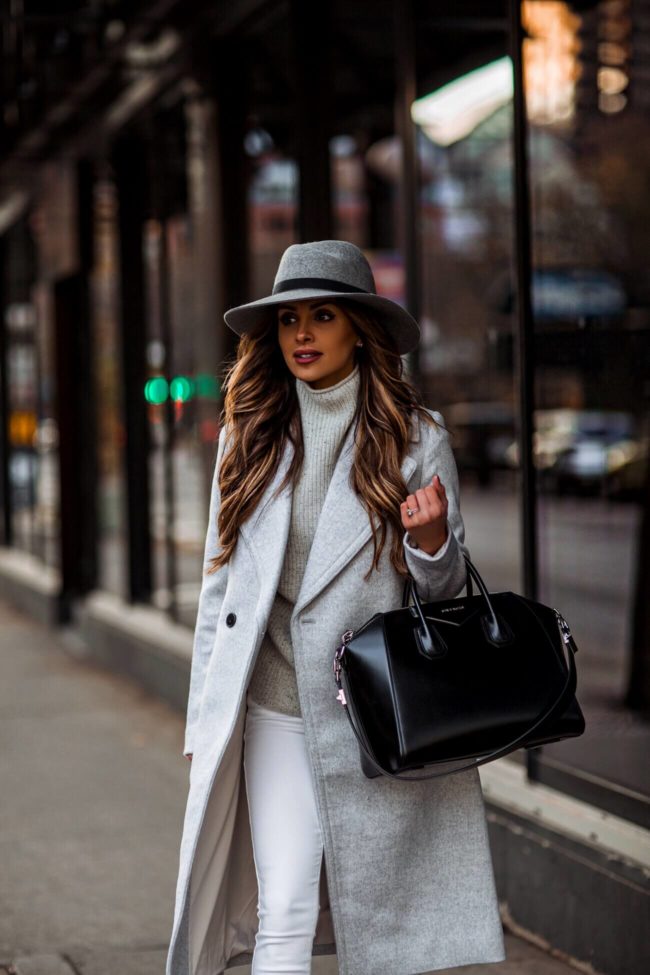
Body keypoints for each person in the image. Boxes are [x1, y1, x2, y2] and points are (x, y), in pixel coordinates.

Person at [167, 240, 506, 975]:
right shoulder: (245, 438)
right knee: (283, 908)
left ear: (359, 327)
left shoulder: (417, 439)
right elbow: (218, 591)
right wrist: (206, 715)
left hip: (377, 715)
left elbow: (446, 600)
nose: (302, 335)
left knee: (382, 932)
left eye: (322, 316)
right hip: (275, 706)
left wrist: (430, 539)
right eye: (289, 319)